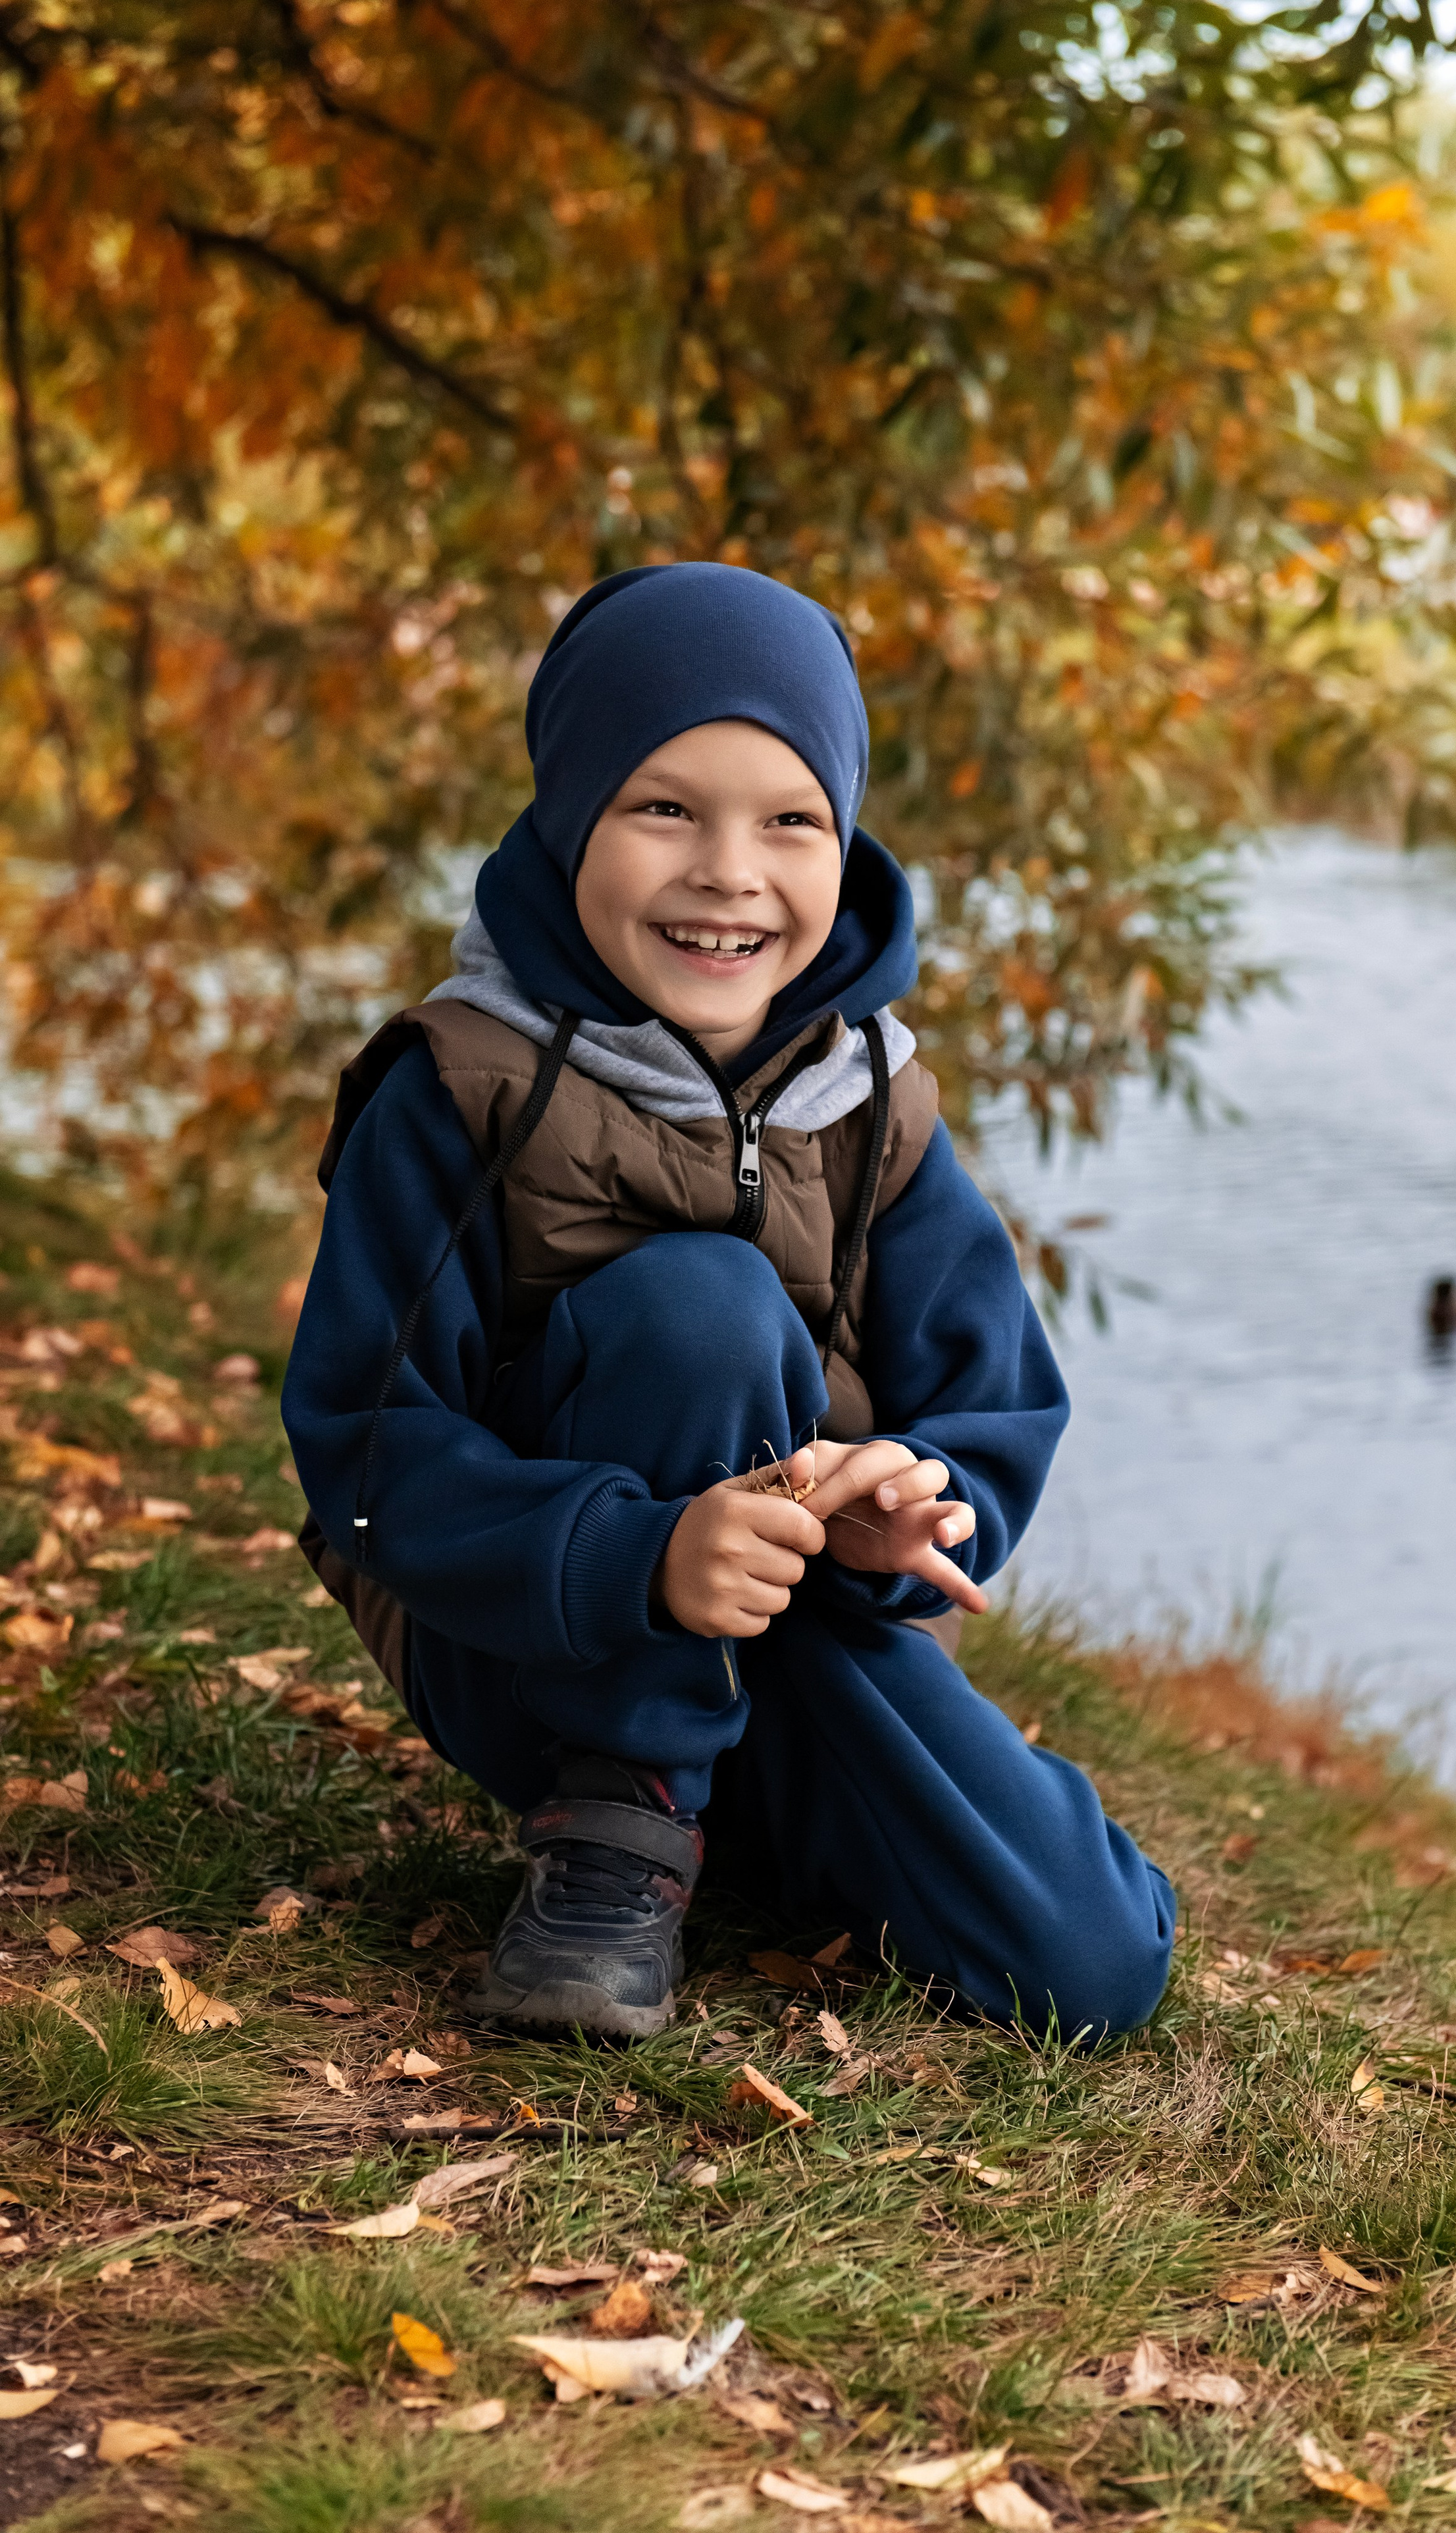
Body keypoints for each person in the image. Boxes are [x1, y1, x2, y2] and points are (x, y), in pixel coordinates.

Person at [281, 563, 1176, 2047]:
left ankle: (749, 1811)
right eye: (663, 809)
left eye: (789, 820)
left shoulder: (874, 1096)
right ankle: (619, 1834)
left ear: (844, 839)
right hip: (538, 1635)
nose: (728, 871)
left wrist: (913, 1509)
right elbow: (364, 1455)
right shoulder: (459, 1089)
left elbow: (993, 1403)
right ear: (570, 813)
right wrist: (638, 1556)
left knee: (1090, 1965)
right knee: (705, 1308)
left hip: (791, 1600)